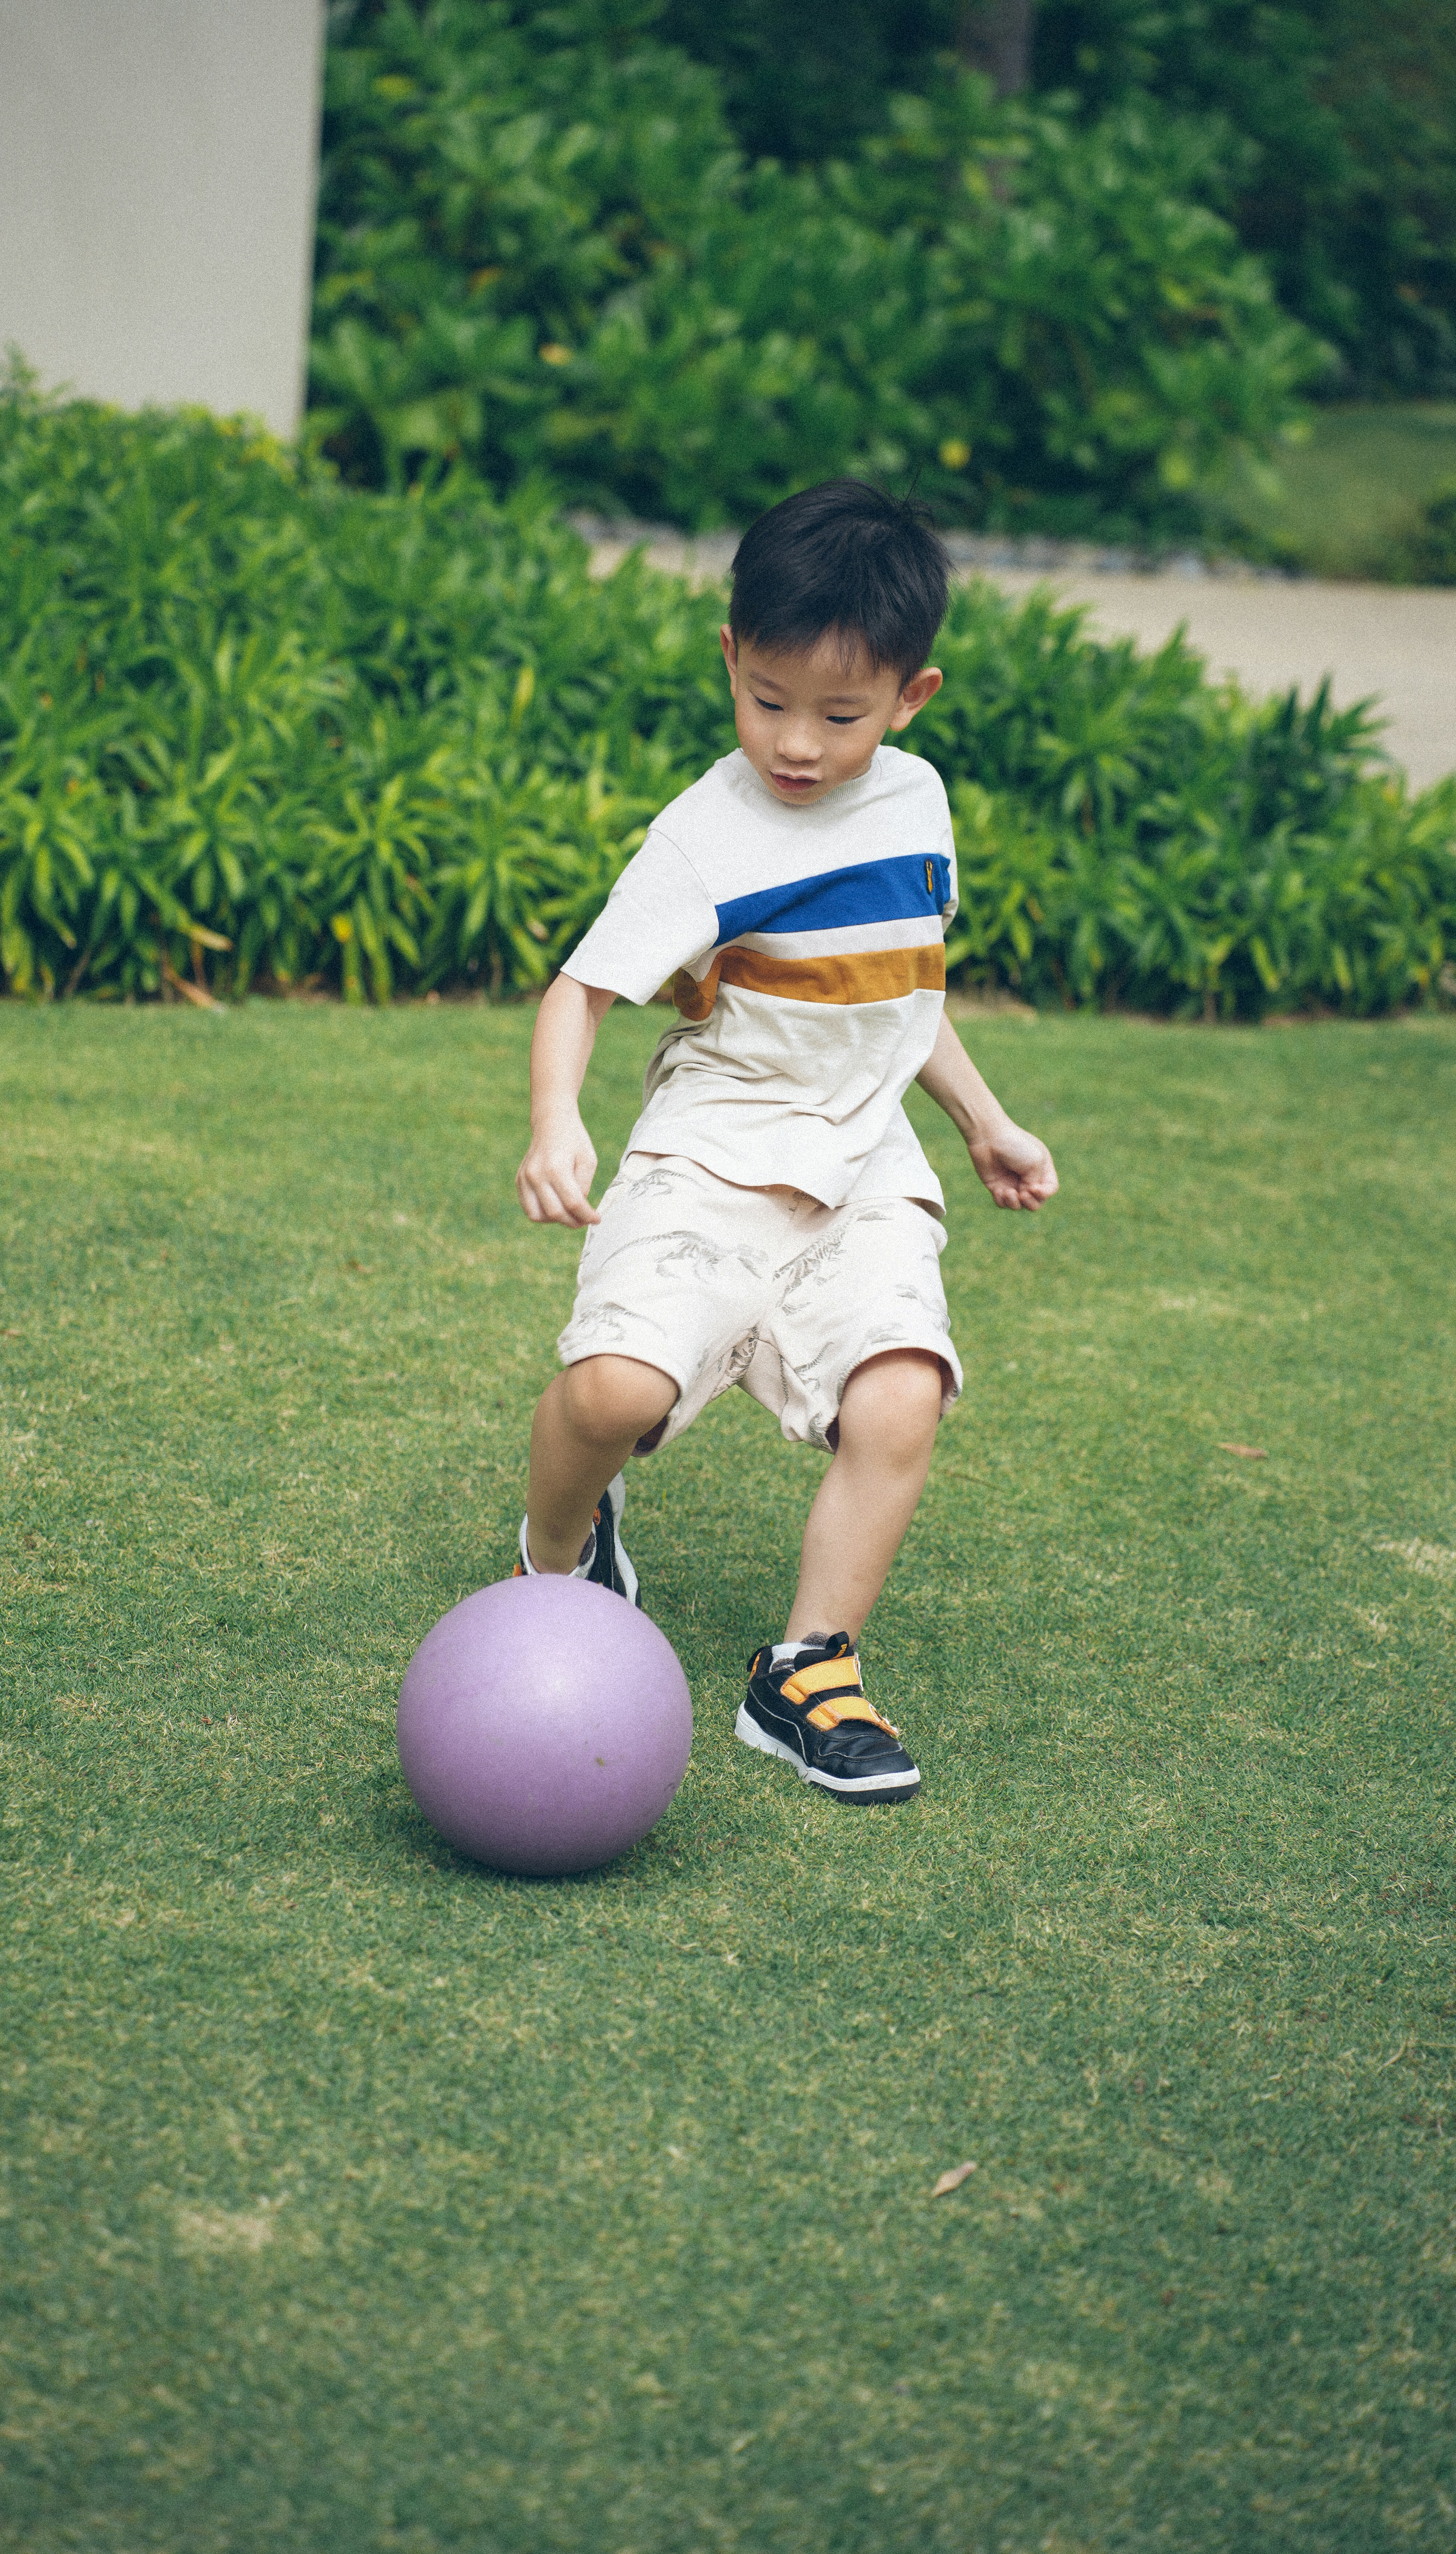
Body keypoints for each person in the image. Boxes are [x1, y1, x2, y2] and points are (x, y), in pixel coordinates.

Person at [513, 480, 1057, 1804]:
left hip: (864, 1166)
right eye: (767, 701)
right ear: (730, 661)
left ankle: (809, 1672)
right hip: (709, 1155)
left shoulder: (917, 804)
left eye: (840, 715)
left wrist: (983, 1120)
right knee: (612, 1396)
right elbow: (581, 988)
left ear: (912, 698)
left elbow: (895, 1001)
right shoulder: (704, 839)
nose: (797, 745)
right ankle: (555, 1557)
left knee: (902, 1391)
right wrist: (554, 1123)